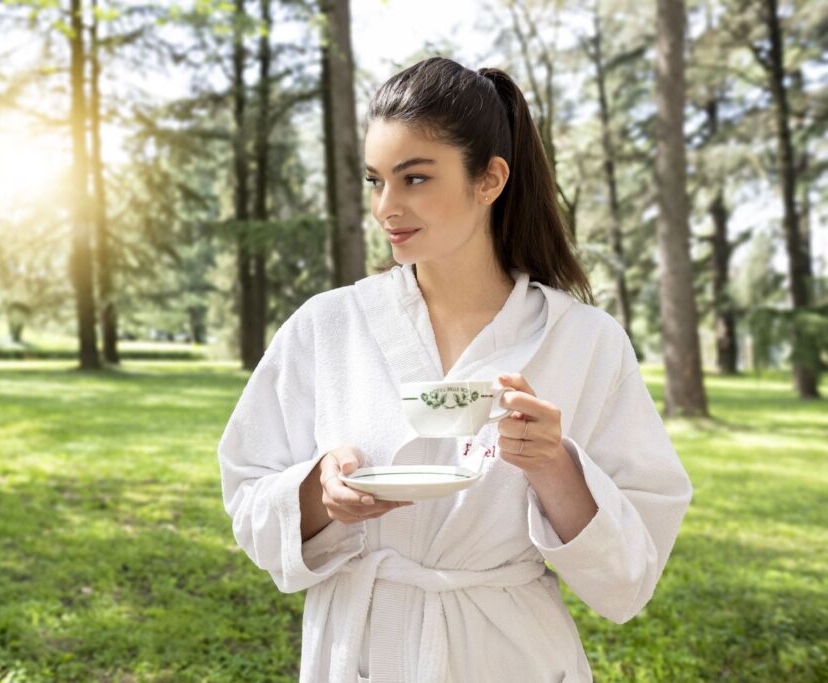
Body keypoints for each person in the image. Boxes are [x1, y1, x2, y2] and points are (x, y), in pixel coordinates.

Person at [217, 57, 692, 683]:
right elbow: (248, 494)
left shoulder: (585, 342)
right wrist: (319, 493)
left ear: (489, 179)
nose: (387, 207)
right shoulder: (326, 326)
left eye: (414, 178)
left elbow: (630, 575)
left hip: (507, 653)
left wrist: (553, 462)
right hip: (358, 648)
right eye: (375, 181)